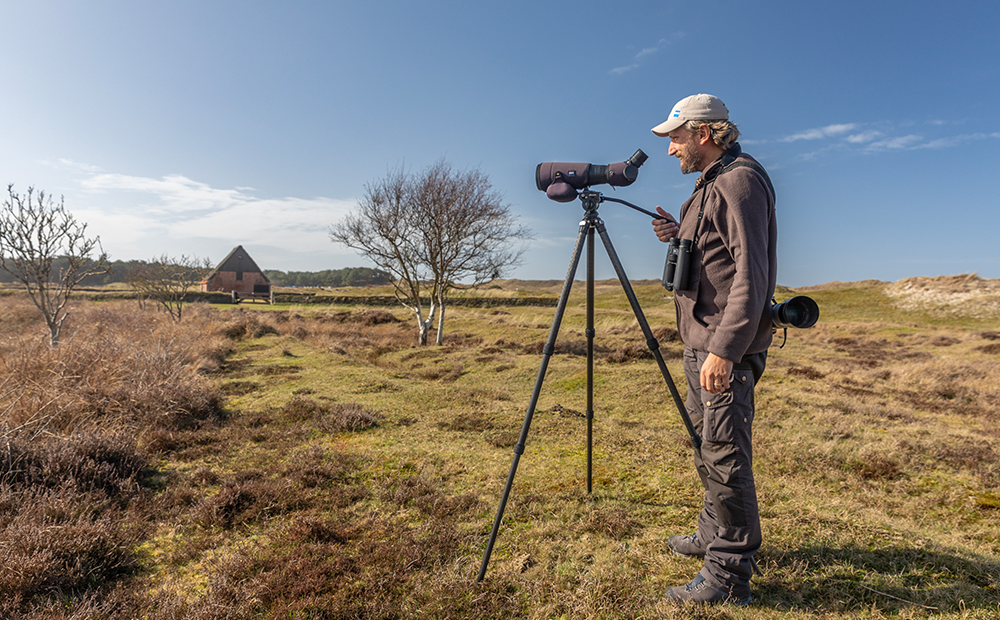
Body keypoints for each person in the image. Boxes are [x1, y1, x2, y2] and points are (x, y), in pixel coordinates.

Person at [649, 94, 777, 605]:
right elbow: (717, 254)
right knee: (708, 447)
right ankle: (711, 531)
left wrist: (725, 350)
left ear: (703, 133)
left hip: (722, 350)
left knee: (726, 458)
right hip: (699, 344)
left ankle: (727, 576)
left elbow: (752, 273)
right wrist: (677, 235)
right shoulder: (706, 187)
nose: (670, 148)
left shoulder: (739, 180)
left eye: (675, 137)